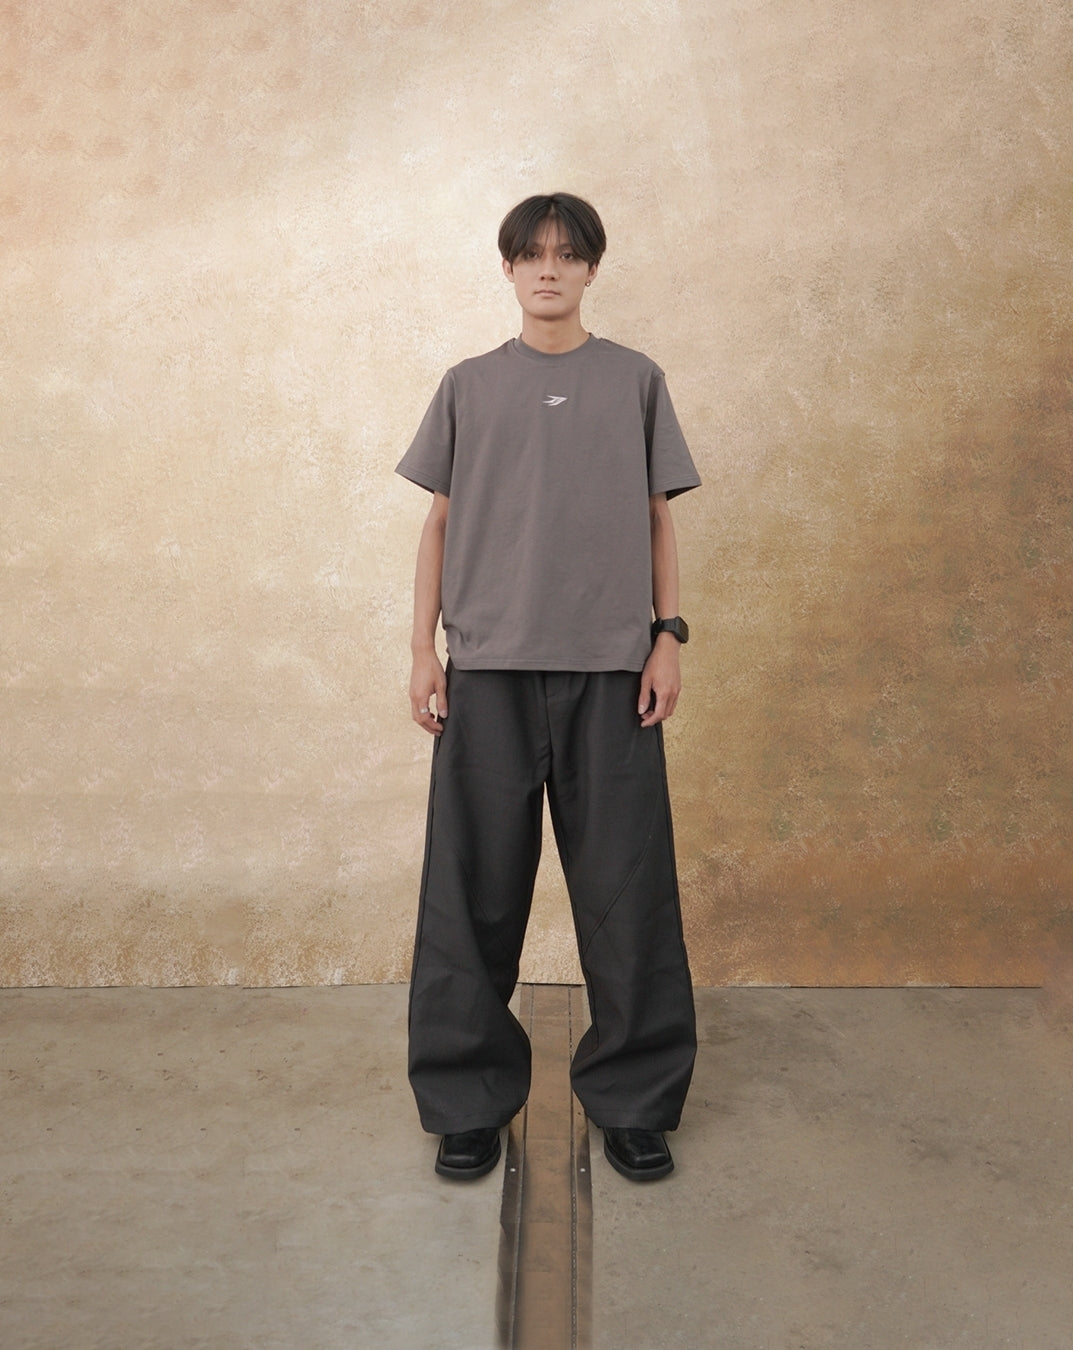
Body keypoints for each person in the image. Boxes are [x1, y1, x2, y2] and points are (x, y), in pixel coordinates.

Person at [396, 192, 699, 1182]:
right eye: (532, 254)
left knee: (628, 894)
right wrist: (421, 651)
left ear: (593, 269)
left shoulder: (635, 380)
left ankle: (635, 1101)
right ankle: (467, 1102)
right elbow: (439, 524)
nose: (549, 270)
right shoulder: (469, 385)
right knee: (471, 897)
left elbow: (658, 519)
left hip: (611, 673)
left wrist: (668, 639)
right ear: (508, 269)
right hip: (487, 671)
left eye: (568, 255)